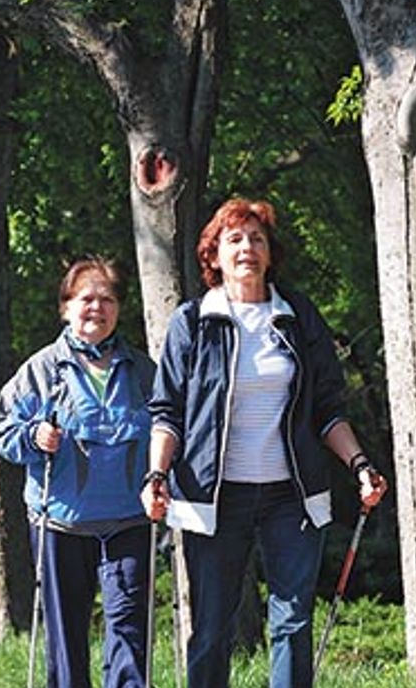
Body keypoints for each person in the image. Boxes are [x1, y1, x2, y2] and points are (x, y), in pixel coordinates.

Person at [140, 198, 388, 688]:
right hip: (214, 498)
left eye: (257, 239)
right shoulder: (192, 322)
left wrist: (360, 465)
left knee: (293, 623)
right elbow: (167, 412)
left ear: (270, 254)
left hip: (290, 496)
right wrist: (156, 476)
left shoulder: (297, 318)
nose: (247, 248)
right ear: (213, 256)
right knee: (212, 626)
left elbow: (326, 408)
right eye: (234, 239)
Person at [0, 256, 156, 688]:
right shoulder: (41, 371)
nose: (96, 308)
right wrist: (33, 437)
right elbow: (1, 434)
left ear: (119, 309)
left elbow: (170, 428)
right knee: (66, 639)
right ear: (65, 306)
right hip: (61, 522)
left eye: (107, 299)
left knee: (129, 630)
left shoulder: (142, 372)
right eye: (86, 299)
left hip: (129, 520)